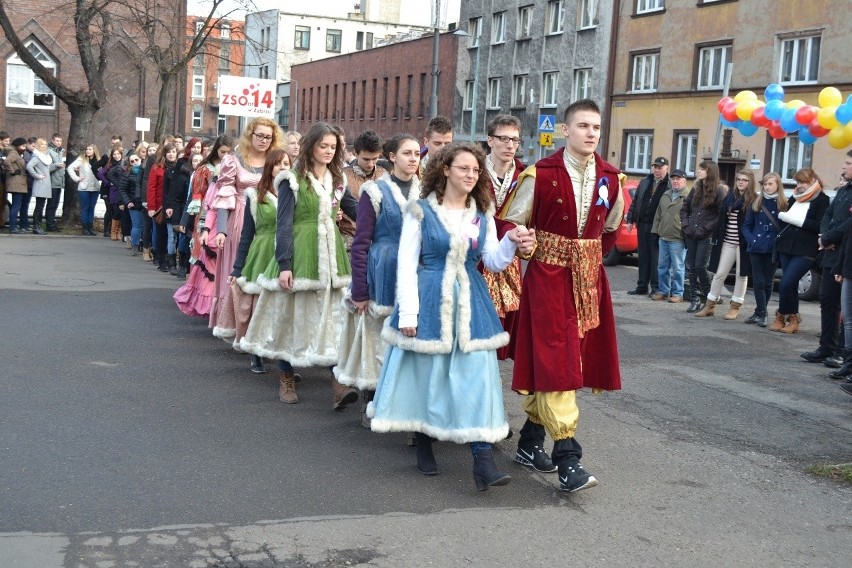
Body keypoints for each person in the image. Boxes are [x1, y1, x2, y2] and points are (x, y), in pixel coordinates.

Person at [368, 141, 535, 490]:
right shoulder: (420, 212)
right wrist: (409, 312)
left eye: (475, 170)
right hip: (429, 295)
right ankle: (424, 439)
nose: (471, 175)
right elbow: (406, 264)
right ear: (445, 170)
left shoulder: (481, 214)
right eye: (463, 168)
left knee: (476, 376)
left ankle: (483, 459)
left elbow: (491, 260)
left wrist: (511, 244)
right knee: (429, 374)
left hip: (471, 299)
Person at [502, 99, 624, 492]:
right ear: (566, 130)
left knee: (567, 358)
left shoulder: (611, 177)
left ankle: (529, 440)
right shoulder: (541, 174)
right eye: (583, 126)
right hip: (548, 277)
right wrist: (525, 243)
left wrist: (588, 255)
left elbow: (612, 229)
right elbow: (509, 220)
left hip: (588, 280)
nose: (591, 133)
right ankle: (568, 456)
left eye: (596, 128)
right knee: (558, 359)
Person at [239, 122, 358, 409]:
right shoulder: (291, 179)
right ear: (310, 147)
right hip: (300, 253)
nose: (328, 151)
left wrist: (385, 218)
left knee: (331, 319)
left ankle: (338, 385)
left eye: (333, 147)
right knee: (290, 318)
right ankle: (286, 376)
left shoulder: (337, 178)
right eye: (323, 146)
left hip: (331, 258)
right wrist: (284, 264)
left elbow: (356, 210)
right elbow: (283, 224)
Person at [335, 133, 421, 428]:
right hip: (382, 269)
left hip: (416, 272)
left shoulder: (426, 191)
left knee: (410, 336)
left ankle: (405, 402)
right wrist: (359, 289)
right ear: (392, 157)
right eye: (407, 153)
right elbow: (361, 243)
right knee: (376, 339)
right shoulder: (375, 191)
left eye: (416, 154)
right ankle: (372, 398)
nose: (413, 159)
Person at [213, 149, 289, 370]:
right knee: (256, 306)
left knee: (280, 306)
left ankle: (279, 353)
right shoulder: (255, 196)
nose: (283, 168)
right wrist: (237, 268)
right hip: (262, 252)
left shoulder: (295, 194)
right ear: (270, 167)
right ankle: (255, 351)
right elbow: (247, 235)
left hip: (285, 252)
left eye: (286, 163)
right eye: (278, 164)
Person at [207, 118, 285, 329]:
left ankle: (259, 324)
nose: (263, 140)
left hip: (269, 221)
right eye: (259, 135)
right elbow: (224, 195)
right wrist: (221, 230)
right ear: (250, 135)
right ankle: (233, 322)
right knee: (238, 269)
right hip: (240, 219)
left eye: (268, 137)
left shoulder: (276, 161)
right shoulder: (234, 160)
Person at [173, 134, 235, 318]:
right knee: (206, 259)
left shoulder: (233, 167)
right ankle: (206, 303)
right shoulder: (205, 170)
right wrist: (201, 224)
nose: (225, 156)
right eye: (223, 152)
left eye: (229, 152)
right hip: (208, 214)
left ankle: (219, 303)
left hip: (229, 215)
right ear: (217, 149)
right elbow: (198, 196)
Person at [800, 151, 852, 365]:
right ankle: (826, 347)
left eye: (848, 163)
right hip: (830, 254)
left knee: (845, 309)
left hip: (845, 254)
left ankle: (842, 353)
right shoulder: (843, 191)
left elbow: (848, 224)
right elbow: (828, 215)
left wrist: (830, 236)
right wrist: (823, 236)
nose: (844, 167)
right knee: (828, 302)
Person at [484, 114, 526, 361]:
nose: (510, 145)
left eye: (515, 140)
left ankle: (491, 372)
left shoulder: (524, 175)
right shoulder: (474, 171)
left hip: (509, 258)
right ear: (490, 140)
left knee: (505, 323)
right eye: (504, 139)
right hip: (479, 254)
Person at [772, 168, 830, 334]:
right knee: (789, 286)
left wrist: (796, 221)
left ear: (812, 180)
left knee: (787, 283)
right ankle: (789, 318)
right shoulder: (795, 197)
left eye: (803, 182)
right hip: (787, 246)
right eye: (797, 182)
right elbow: (784, 220)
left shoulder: (822, 200)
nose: (800, 185)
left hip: (806, 249)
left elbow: (819, 225)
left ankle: (785, 314)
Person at [696, 169, 757, 319]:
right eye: (738, 179)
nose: (740, 182)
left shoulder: (754, 199)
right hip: (728, 241)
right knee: (719, 273)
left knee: (741, 275)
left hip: (743, 243)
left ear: (750, 183)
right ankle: (710, 305)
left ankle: (735, 307)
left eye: (744, 180)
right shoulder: (730, 196)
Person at [681, 161, 727, 313]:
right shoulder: (696, 188)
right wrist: (686, 226)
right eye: (699, 168)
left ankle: (709, 299)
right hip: (691, 233)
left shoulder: (719, 190)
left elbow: (721, 215)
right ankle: (694, 299)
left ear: (710, 171)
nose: (698, 171)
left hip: (706, 235)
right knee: (692, 267)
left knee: (701, 267)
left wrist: (705, 228)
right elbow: (685, 207)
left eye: (702, 169)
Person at [741, 172, 787, 326]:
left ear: (777, 185)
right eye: (765, 184)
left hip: (773, 247)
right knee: (758, 281)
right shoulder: (757, 202)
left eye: (770, 184)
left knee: (768, 281)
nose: (767, 187)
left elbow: (786, 228)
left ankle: (760, 312)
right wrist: (752, 240)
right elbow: (746, 226)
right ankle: (762, 313)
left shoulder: (783, 204)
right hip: (756, 246)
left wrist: (778, 242)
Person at [626, 156, 669, 296]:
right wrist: (630, 220)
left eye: (660, 167)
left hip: (657, 226)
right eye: (655, 167)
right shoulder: (645, 181)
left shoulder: (669, 184)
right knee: (643, 256)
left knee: (655, 258)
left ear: (666, 168)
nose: (657, 170)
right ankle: (642, 286)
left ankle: (655, 288)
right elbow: (635, 201)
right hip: (642, 224)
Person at [339, 130, 387, 246]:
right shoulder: (342, 176)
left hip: (378, 241)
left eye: (375, 159)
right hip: (349, 241)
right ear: (355, 153)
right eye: (366, 159)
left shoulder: (385, 176)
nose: (371, 164)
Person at [651, 168, 690, 303]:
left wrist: (686, 234)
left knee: (678, 267)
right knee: (662, 266)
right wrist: (656, 231)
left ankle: (678, 293)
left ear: (684, 181)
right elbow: (658, 215)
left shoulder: (688, 196)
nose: (675, 181)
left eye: (678, 179)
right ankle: (663, 291)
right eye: (673, 179)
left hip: (678, 238)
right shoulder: (666, 194)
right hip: (663, 237)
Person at [147, 143, 179, 271]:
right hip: (160, 207)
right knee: (162, 234)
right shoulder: (157, 168)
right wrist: (151, 207)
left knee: (173, 235)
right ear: (165, 154)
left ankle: (171, 260)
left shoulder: (179, 167)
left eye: (174, 152)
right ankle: (162, 260)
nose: (171, 154)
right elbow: (151, 188)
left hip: (174, 206)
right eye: (169, 152)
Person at [67, 144, 102, 235]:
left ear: (94, 150)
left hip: (95, 187)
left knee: (91, 208)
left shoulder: (99, 160)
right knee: (85, 207)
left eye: (90, 149)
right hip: (84, 187)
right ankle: (85, 228)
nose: (87, 151)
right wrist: (77, 178)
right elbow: (70, 168)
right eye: (87, 149)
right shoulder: (82, 159)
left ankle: (90, 227)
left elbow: (102, 173)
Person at [118, 154, 146, 255]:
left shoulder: (146, 172)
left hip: (146, 202)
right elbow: (122, 190)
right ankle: (135, 245)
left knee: (146, 226)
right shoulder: (127, 174)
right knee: (137, 225)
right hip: (133, 203)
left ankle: (145, 245)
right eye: (132, 161)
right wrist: (128, 202)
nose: (134, 162)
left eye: (136, 160)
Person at [26, 138, 52, 235]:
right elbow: (29, 166)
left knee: (41, 206)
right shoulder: (37, 156)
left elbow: (47, 169)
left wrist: (57, 165)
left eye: (45, 144)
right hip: (40, 184)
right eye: (42, 144)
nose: (44, 146)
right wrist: (37, 176)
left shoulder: (45, 156)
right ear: (38, 145)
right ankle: (36, 227)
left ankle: (38, 226)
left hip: (45, 184)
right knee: (39, 206)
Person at [98, 146, 125, 241]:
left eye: (118, 154)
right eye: (114, 154)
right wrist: (108, 182)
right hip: (114, 191)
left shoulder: (124, 163)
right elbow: (100, 173)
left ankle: (120, 232)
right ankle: (113, 232)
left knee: (122, 212)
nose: (116, 156)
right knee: (115, 211)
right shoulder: (110, 165)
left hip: (123, 191)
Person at [5, 138, 29, 234]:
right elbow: (7, 162)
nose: (24, 148)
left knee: (16, 205)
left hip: (18, 183)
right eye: (23, 146)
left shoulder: (16, 153)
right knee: (16, 206)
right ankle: (13, 227)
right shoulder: (14, 153)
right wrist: (13, 171)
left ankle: (14, 226)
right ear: (17, 145)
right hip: (17, 183)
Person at [45, 134, 66, 232]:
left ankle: (52, 223)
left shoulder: (60, 151)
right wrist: (57, 165)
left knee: (55, 204)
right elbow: (46, 167)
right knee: (51, 204)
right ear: (52, 140)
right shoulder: (49, 151)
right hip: (52, 181)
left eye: (60, 141)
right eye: (57, 140)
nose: (59, 143)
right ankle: (49, 225)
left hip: (58, 181)